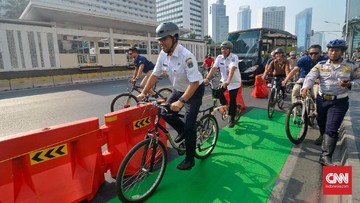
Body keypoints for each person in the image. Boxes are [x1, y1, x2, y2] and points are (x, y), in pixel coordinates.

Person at [137, 22, 205, 171]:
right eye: (159, 40)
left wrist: (181, 102)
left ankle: (190, 159)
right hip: (178, 89)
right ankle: (183, 132)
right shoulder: (163, 54)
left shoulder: (186, 56)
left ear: (174, 38)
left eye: (164, 39)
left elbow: (194, 83)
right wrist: (143, 92)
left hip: (193, 91)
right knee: (164, 112)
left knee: (190, 125)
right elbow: (155, 74)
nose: (161, 43)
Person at [300, 39, 360, 166]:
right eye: (330, 50)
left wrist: (349, 84)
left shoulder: (351, 66)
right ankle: (323, 136)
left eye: (336, 50)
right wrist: (305, 87)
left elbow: (359, 81)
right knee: (322, 122)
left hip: (339, 102)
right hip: (322, 100)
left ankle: (325, 156)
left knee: (331, 128)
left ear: (342, 52)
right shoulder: (320, 65)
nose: (332, 53)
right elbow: (311, 76)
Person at [282, 44, 327, 145]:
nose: (313, 55)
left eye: (316, 53)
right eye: (310, 53)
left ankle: (315, 110)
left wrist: (320, 80)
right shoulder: (304, 59)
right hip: (303, 78)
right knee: (295, 90)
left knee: (316, 93)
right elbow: (294, 70)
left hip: (317, 80)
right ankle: (295, 109)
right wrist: (286, 80)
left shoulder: (324, 59)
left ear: (320, 52)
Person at [204, 41, 242, 128]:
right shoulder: (219, 57)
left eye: (225, 49)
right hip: (224, 80)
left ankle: (232, 117)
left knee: (233, 99)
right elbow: (214, 68)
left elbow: (232, 69)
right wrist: (207, 78)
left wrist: (228, 81)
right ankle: (226, 105)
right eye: (222, 49)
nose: (223, 50)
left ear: (229, 50)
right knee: (218, 92)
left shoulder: (234, 57)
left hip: (234, 82)